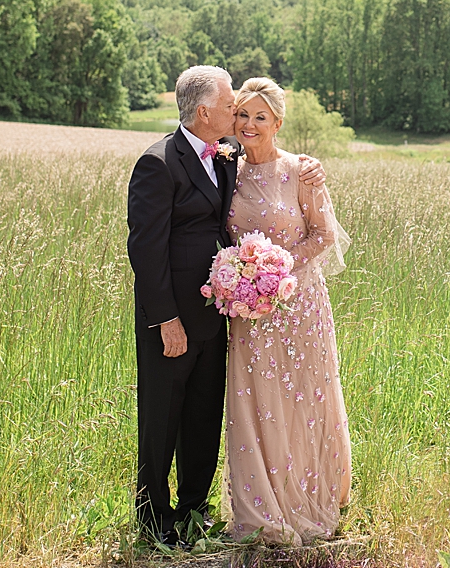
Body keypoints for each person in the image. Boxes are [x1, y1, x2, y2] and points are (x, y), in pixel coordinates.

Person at [126, 65, 325, 546]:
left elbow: (269, 163)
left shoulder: (226, 155)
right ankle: (154, 523)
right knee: (161, 421)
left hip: (219, 317)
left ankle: (194, 510)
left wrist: (310, 165)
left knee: (202, 417)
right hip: (171, 319)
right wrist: (166, 319)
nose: (237, 108)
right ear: (204, 111)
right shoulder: (159, 163)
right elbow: (144, 250)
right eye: (230, 101)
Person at [223, 76, 352, 544]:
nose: (249, 124)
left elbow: (324, 235)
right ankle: (260, 509)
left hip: (298, 304)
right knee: (254, 404)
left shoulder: (301, 171)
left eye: (260, 117)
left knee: (302, 400)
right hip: (248, 312)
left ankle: (306, 496)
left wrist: (276, 269)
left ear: (277, 123)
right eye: (242, 114)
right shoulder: (226, 171)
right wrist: (245, 280)